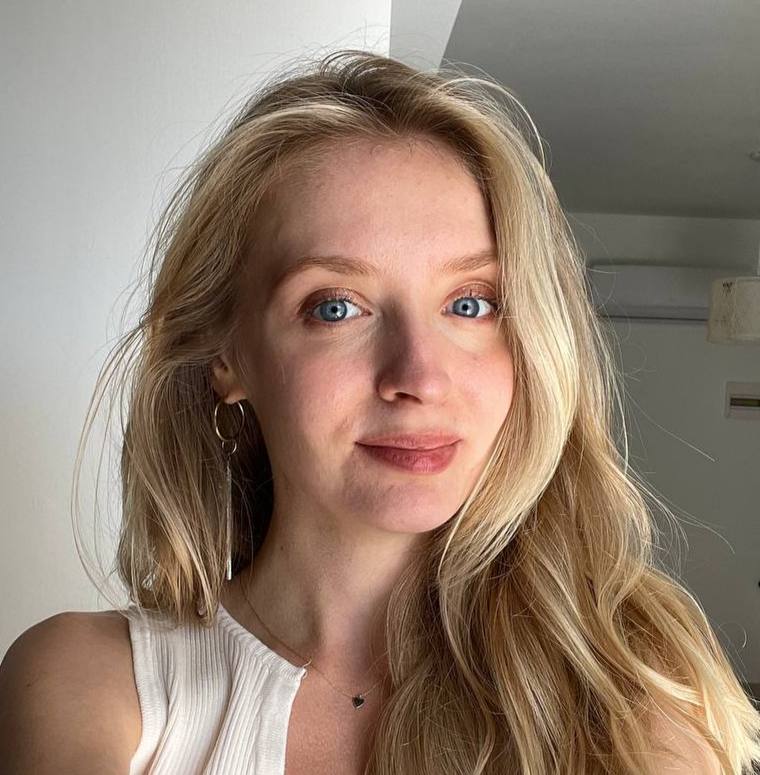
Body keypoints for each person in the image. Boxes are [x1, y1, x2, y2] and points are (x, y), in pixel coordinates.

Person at [1, 49, 759, 775]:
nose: (419, 376)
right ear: (227, 358)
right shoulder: (89, 679)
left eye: (471, 303)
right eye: (336, 306)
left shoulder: (629, 701)